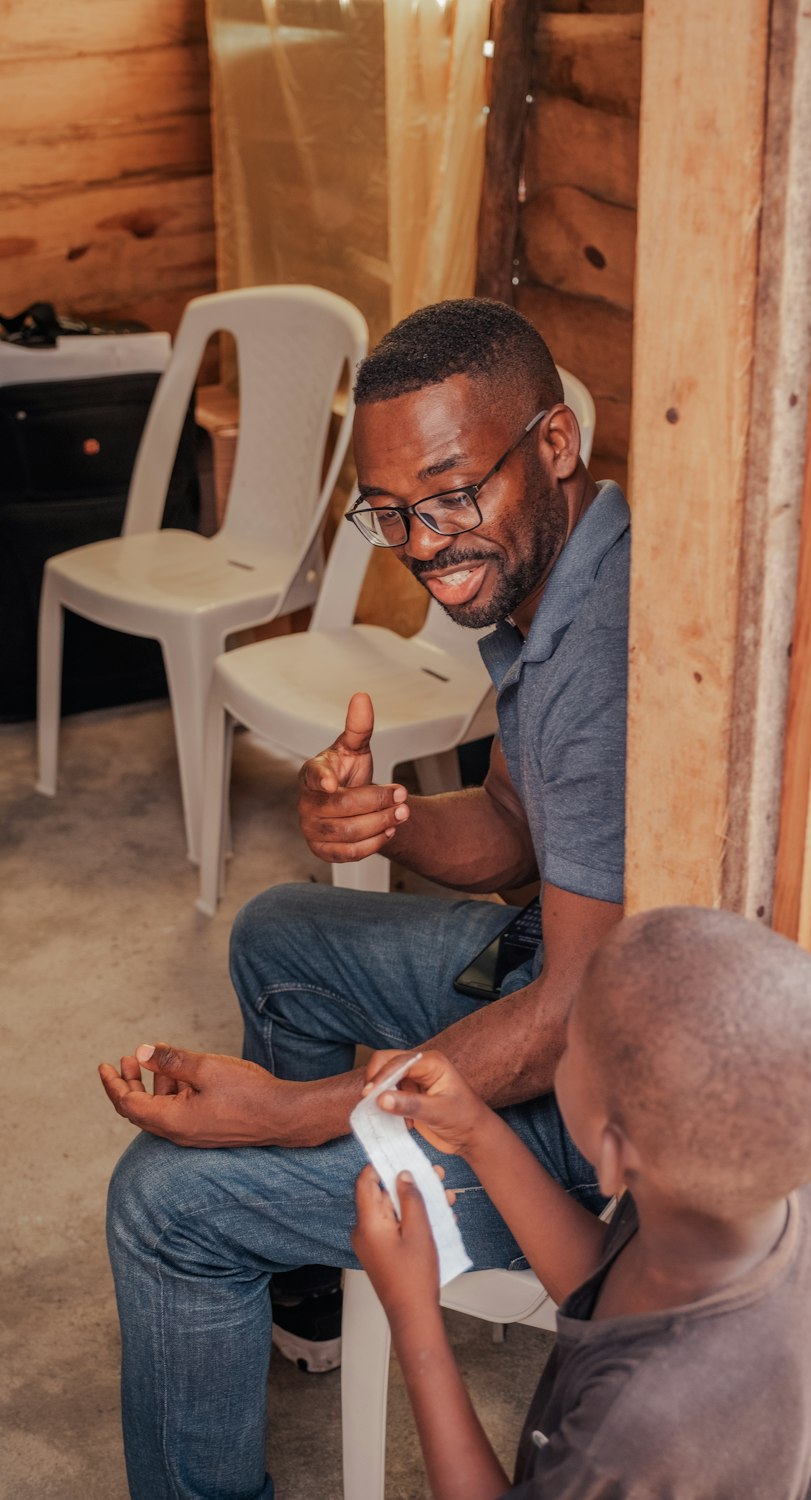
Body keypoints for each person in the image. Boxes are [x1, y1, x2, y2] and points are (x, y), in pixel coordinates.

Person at [99, 297, 630, 1500]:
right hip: (565, 961)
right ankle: (311, 1296)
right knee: (282, 933)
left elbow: (571, 1015)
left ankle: (257, 1227)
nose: (426, 544)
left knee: (163, 1199)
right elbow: (509, 831)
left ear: (553, 444)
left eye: (451, 494)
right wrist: (388, 816)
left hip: (601, 1110)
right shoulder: (552, 578)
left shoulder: (610, 655)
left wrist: (290, 1115)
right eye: (389, 513)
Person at [353, 906, 811, 1500]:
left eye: (569, 1051)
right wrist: (476, 1132)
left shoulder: (638, 1427)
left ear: (615, 1157)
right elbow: (604, 1288)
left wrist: (412, 1310)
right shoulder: (761, 1200)